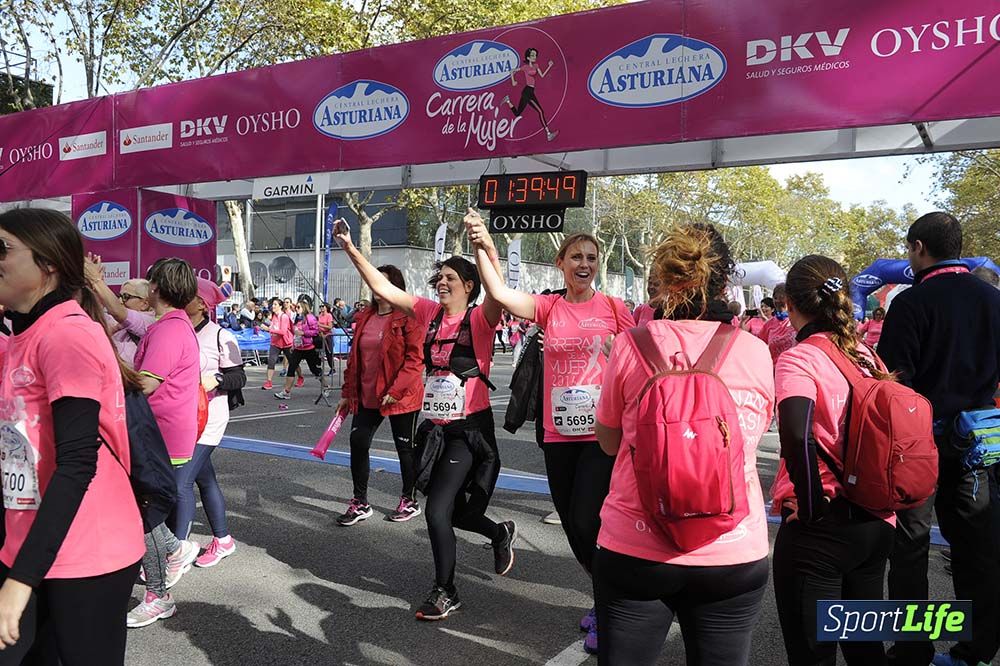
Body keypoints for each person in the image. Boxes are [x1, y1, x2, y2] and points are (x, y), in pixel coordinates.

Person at [593, 223, 773, 666]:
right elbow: (752, 437)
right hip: (734, 547)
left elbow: (609, 442)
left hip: (637, 546)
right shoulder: (755, 350)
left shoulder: (630, 345)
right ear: (724, 280)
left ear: (664, 279)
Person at [466, 212, 634, 654]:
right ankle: (605, 596)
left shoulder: (616, 310)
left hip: (602, 434)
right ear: (561, 263)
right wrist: (483, 243)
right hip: (558, 433)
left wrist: (621, 353)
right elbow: (498, 293)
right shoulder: (550, 306)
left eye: (592, 258)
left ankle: (612, 608)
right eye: (576, 256)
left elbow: (641, 363)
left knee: (587, 519)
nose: (585, 263)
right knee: (576, 531)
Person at [335, 217, 516, 622]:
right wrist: (349, 247)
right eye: (440, 277)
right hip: (433, 428)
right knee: (458, 514)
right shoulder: (429, 314)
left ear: (469, 286)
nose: (442, 283)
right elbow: (382, 288)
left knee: (436, 511)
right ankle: (497, 531)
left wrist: (484, 244)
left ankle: (445, 590)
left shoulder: (480, 319)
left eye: (451, 278)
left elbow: (497, 288)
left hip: (469, 433)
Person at [0, 208, 144, 664]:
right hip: (29, 543)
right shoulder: (21, 335)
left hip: (88, 553)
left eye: (2, 250)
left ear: (49, 264)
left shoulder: (65, 334)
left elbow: (79, 462)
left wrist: (21, 579)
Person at [878, 212, 1000, 666]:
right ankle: (977, 649)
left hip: (918, 446)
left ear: (917, 248)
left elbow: (892, 381)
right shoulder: (993, 299)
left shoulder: (910, 303)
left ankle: (912, 649)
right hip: (981, 444)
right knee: (978, 548)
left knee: (910, 546)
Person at [771, 255, 898, 665]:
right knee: (865, 648)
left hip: (823, 530)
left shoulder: (800, 358)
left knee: (812, 654)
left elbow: (795, 433)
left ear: (790, 302)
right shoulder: (866, 355)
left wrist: (810, 509)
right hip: (877, 522)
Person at [127, 257, 202, 628]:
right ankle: (176, 549)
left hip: (162, 436)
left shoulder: (170, 330)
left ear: (155, 288)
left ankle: (159, 594)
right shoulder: (169, 325)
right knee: (145, 513)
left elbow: (146, 384)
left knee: (147, 514)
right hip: (161, 434)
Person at [336, 265, 425, 526]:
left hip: (401, 396)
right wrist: (347, 393)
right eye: (375, 283)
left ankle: (409, 500)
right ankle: (360, 502)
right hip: (367, 395)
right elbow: (354, 359)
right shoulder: (364, 316)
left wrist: (396, 391)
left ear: (396, 286)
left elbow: (415, 360)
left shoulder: (409, 316)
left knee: (405, 449)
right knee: (358, 442)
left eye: (383, 283)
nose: (378, 289)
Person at [173, 278, 246, 568]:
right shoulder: (173, 329)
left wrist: (215, 378)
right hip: (180, 418)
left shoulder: (220, 335)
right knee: (205, 478)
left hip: (209, 419)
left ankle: (175, 554)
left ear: (202, 304)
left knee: (181, 484)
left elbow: (238, 377)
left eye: (187, 295)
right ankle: (223, 540)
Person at [83, 256, 155, 367]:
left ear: (144, 304)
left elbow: (118, 312)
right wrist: (90, 285)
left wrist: (96, 280)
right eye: (119, 296)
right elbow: (92, 317)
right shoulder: (111, 317)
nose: (120, 301)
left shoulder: (150, 321)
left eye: (126, 297)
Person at [502, 47, 559, 141]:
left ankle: (508, 100)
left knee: (517, 113)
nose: (534, 57)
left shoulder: (536, 66)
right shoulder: (525, 67)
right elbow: (512, 71)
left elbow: (542, 75)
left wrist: (549, 66)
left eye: (535, 55)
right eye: (532, 55)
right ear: (528, 57)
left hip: (530, 91)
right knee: (540, 111)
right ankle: (548, 134)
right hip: (527, 91)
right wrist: (513, 81)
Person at [274, 300, 327, 400]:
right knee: (291, 368)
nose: (296, 309)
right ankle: (286, 391)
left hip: (308, 347)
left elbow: (315, 331)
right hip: (298, 348)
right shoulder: (297, 319)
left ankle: (326, 386)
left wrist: (304, 333)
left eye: (298, 307)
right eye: (296, 307)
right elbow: (295, 333)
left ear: (303, 307)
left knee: (314, 369)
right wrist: (293, 345)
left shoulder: (310, 317)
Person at [260, 298, 293, 390]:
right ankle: (269, 382)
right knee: (271, 361)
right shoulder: (274, 316)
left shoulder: (284, 317)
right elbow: (273, 327)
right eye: (272, 304)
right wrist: (266, 328)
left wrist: (268, 329)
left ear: (280, 306)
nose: (273, 306)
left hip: (286, 343)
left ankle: (300, 376)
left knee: (293, 362)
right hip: (275, 342)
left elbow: (282, 331)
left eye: (275, 305)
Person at [758, 285, 796, 362]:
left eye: (781, 297)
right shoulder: (769, 324)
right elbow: (759, 344)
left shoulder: (796, 320)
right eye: (775, 298)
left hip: (791, 368)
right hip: (772, 369)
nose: (778, 301)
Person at [318, 302, 335, 372]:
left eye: (323, 306)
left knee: (329, 352)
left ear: (326, 307)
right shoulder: (320, 315)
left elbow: (330, 327)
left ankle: (332, 367)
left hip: (327, 335)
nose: (321, 308)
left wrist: (320, 325)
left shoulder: (329, 315)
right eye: (320, 306)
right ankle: (318, 367)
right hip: (320, 335)